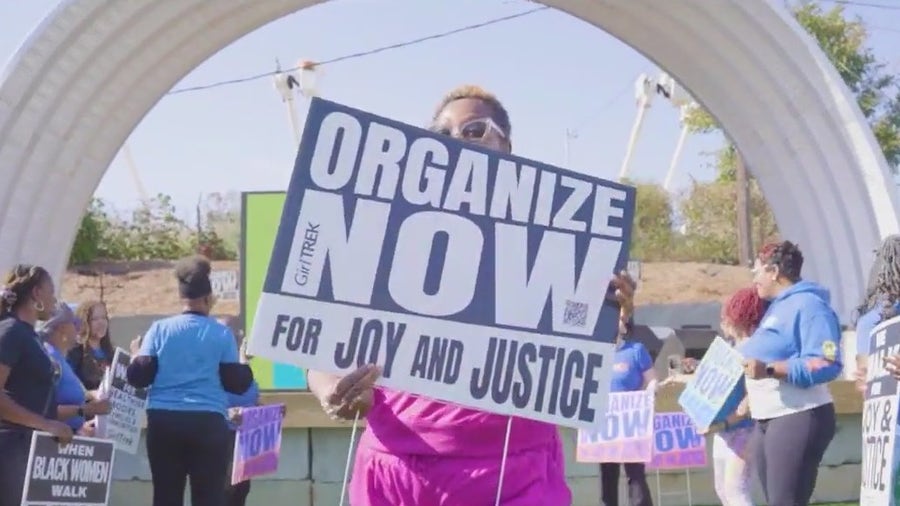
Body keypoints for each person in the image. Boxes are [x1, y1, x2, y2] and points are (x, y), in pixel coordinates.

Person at [306, 85, 637, 506]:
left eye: (475, 130)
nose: (457, 142)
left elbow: (577, 358)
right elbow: (318, 348)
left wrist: (611, 317)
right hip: (394, 472)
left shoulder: (561, 243)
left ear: (508, 147)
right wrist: (333, 390)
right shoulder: (377, 231)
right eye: (441, 134)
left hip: (513, 475)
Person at [126, 256, 254, 506]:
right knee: (208, 498)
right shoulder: (220, 333)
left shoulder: (159, 329)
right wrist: (244, 362)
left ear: (181, 299)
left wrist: (134, 354)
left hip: (164, 423)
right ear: (208, 298)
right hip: (207, 423)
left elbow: (139, 377)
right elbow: (235, 384)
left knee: (165, 496)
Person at [740, 241, 842, 506]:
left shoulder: (811, 306)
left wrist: (771, 370)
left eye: (758, 270)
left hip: (798, 415)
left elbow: (827, 362)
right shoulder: (776, 307)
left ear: (774, 272)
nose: (754, 278)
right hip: (767, 418)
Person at [0, 264, 74, 506]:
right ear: (36, 294)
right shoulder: (10, 332)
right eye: (51, 290)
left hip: (29, 447)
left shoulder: (30, 336)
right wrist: (46, 424)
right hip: (10, 448)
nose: (55, 298)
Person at [705, 287, 767, 506]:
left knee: (736, 489)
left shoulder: (753, 347)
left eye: (726, 317)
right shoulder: (731, 348)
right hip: (725, 430)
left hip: (744, 429)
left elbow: (751, 398)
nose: (723, 323)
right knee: (723, 489)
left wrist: (722, 423)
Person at [599, 317, 656, 506]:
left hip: (632, 423)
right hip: (605, 425)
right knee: (608, 475)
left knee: (636, 474)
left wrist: (648, 394)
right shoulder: (597, 352)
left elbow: (652, 380)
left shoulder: (636, 350)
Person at [38, 302, 111, 435]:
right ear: (62, 328)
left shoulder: (60, 359)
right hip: (52, 443)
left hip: (70, 441)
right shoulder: (50, 360)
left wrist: (81, 428)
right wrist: (86, 410)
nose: (79, 329)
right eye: (76, 323)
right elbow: (41, 410)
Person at [219, 315, 260, 506]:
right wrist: (226, 413)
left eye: (232, 332)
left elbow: (253, 400)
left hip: (245, 442)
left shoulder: (244, 370)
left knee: (240, 493)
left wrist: (272, 413)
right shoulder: (209, 368)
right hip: (220, 440)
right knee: (222, 494)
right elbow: (198, 403)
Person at [68, 300, 114, 391]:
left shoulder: (112, 353)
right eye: (95, 319)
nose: (101, 322)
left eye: (104, 318)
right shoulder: (75, 352)